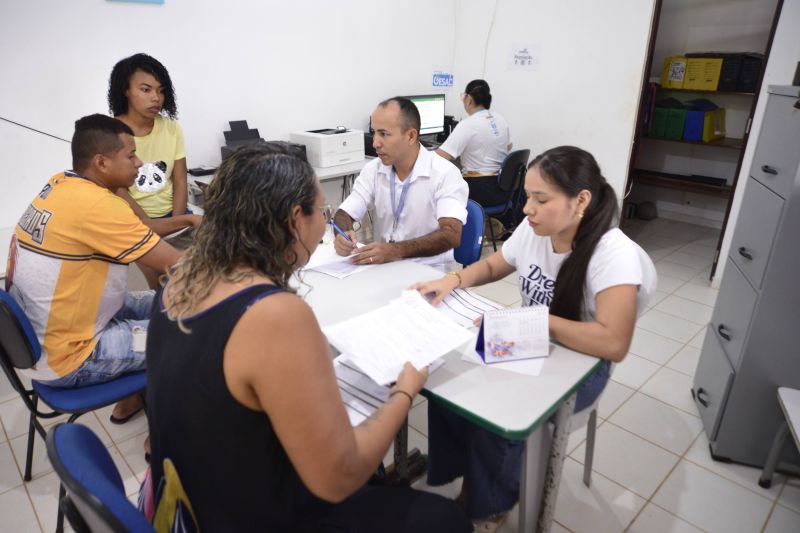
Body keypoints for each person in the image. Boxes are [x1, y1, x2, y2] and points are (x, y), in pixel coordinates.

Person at [145, 143, 472, 532]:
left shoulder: (180, 275)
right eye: (321, 211)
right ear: (294, 219)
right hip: (242, 515)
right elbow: (338, 478)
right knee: (445, 519)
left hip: (185, 497)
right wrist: (405, 390)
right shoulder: (274, 315)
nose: (324, 224)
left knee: (369, 472)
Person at [413, 146, 657, 531]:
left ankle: (489, 504)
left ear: (581, 201)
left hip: (583, 361)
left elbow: (613, 343)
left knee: (499, 410)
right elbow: (497, 263)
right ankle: (465, 477)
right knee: (449, 379)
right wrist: (454, 279)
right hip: (529, 338)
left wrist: (541, 324)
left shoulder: (613, 255)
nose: (527, 209)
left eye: (541, 200)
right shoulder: (533, 230)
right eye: (528, 196)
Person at [5, 114, 182, 423]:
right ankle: (167, 434)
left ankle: (136, 397)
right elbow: (176, 262)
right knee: (185, 332)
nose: (139, 162)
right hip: (75, 356)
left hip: (62, 329)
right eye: (130, 155)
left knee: (161, 303)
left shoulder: (60, 184)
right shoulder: (98, 206)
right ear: (101, 163)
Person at [333, 97, 468, 266]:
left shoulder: (445, 174)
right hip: (385, 267)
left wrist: (395, 251)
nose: (375, 143)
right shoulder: (373, 169)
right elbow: (344, 213)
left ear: (411, 136)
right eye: (374, 132)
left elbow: (451, 235)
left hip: (430, 272)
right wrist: (342, 234)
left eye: (384, 134)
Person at [108, 53, 201, 237]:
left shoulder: (172, 128)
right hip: (134, 220)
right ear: (125, 90)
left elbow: (180, 181)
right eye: (146, 90)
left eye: (160, 90)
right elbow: (119, 190)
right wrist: (152, 228)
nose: (156, 98)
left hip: (175, 215)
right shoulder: (109, 132)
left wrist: (176, 222)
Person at [436, 79, 512, 211]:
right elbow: (509, 146)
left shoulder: (468, 125)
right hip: (504, 188)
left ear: (469, 99)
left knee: (441, 189)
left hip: (480, 190)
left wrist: (419, 153)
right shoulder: (500, 119)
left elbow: (441, 156)